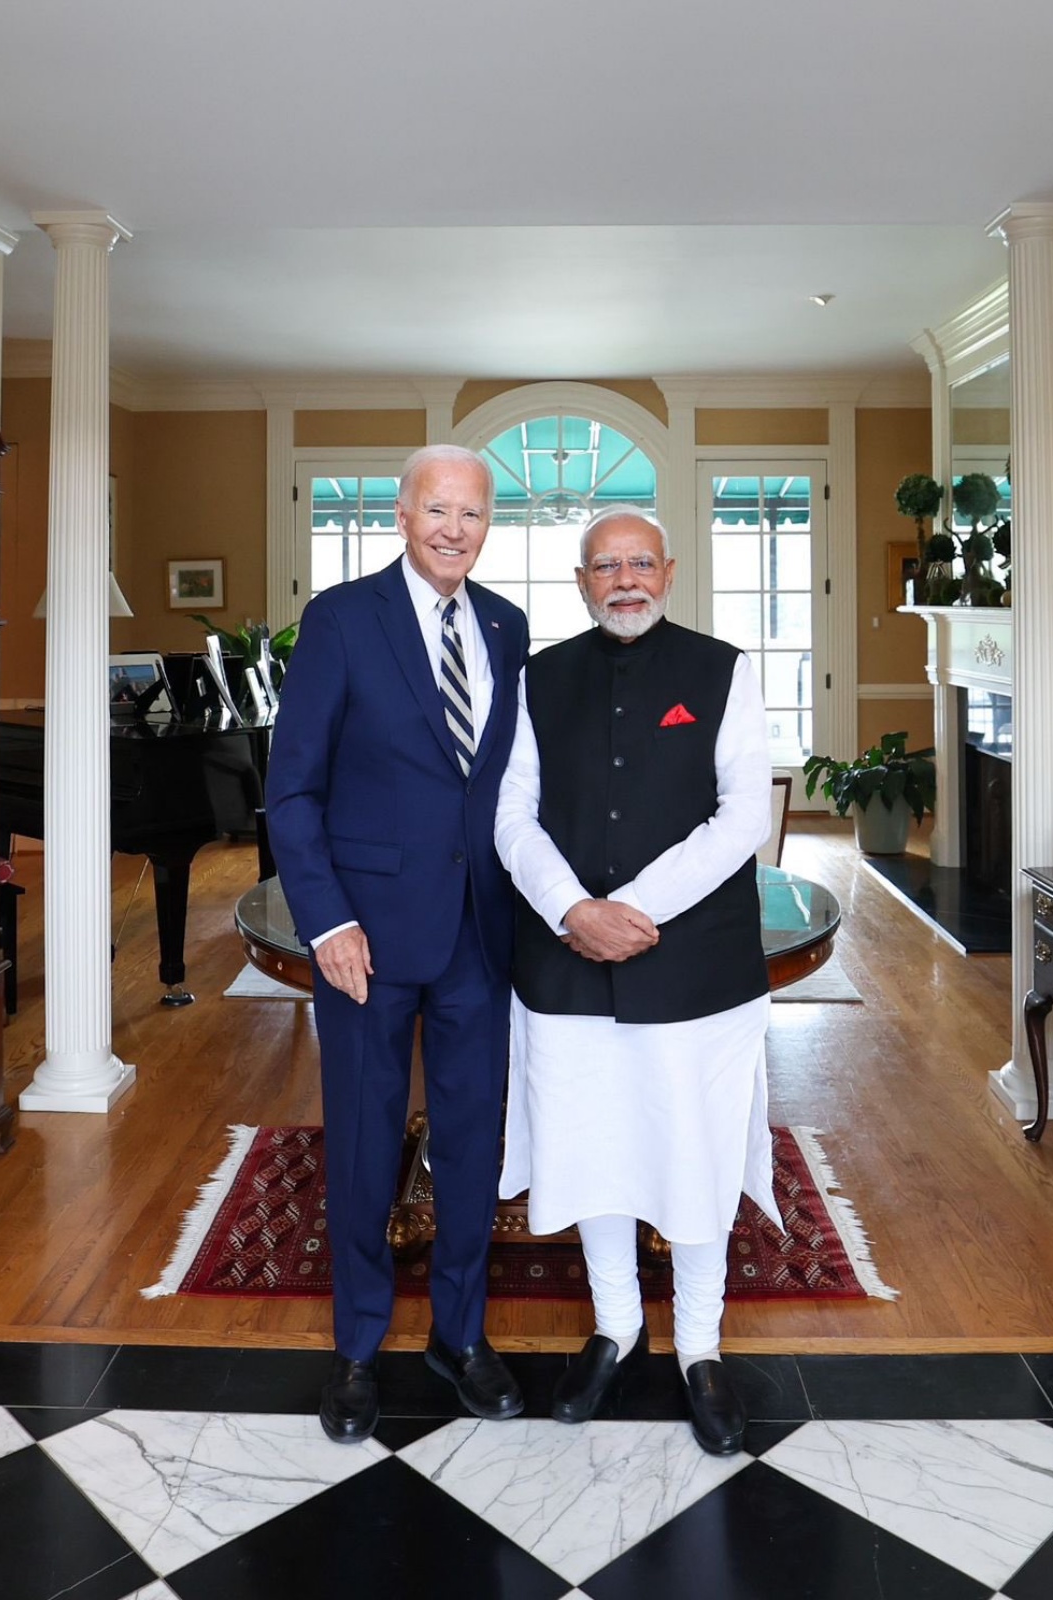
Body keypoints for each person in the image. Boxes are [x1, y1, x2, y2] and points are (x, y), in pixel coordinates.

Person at [495, 503, 775, 1455]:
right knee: (592, 1147)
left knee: (691, 1149)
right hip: (562, 959)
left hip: (695, 965)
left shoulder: (723, 670)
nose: (625, 580)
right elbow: (511, 816)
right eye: (605, 565)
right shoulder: (539, 678)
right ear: (582, 581)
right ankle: (617, 1327)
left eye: (641, 563)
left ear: (669, 570)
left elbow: (743, 817)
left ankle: (701, 1347)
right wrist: (576, 911)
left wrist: (634, 910)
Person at [267, 444, 530, 1443]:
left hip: (480, 932)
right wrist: (327, 920)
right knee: (368, 1145)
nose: (454, 528)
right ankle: (357, 1348)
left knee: (471, 1145)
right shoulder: (340, 620)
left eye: (472, 513)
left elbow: (503, 782)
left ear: (486, 523)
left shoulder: (506, 624)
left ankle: (459, 1336)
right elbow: (292, 790)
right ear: (401, 512)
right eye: (438, 509)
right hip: (363, 940)